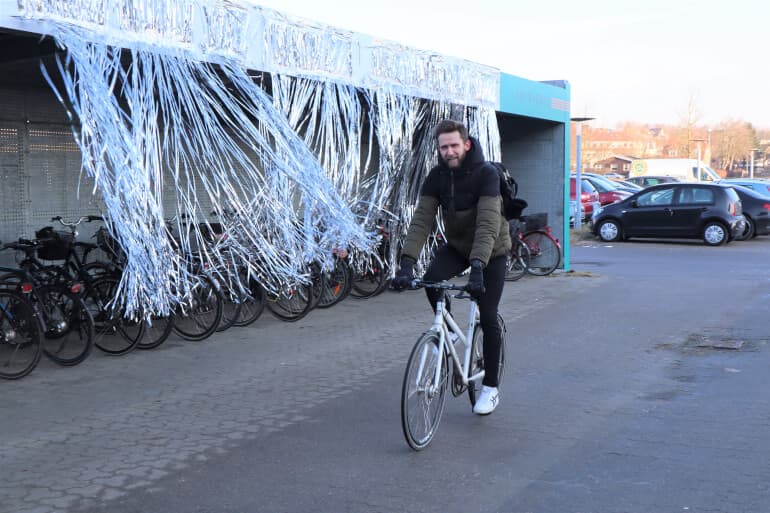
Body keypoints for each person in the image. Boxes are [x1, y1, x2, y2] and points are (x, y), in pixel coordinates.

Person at [392, 119, 511, 415]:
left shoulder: (486, 175)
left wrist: (479, 267)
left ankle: (490, 388)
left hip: (492, 251)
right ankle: (451, 329)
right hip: (458, 247)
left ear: (466, 144)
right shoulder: (437, 176)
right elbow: (422, 220)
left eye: (454, 145)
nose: (449, 151)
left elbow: (488, 224)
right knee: (432, 280)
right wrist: (407, 264)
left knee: (488, 313)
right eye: (444, 147)